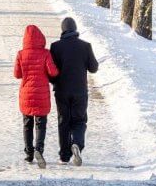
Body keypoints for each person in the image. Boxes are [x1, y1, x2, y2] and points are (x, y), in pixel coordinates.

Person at [49, 17, 98, 166]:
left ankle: (64, 156)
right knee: (79, 120)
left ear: (63, 29)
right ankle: (76, 143)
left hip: (62, 90)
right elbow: (94, 68)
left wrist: (55, 82)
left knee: (63, 121)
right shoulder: (85, 46)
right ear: (75, 29)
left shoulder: (55, 47)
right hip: (80, 91)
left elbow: (51, 71)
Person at [14, 25, 58, 169]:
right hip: (41, 94)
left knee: (27, 124)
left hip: (26, 93)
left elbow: (17, 74)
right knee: (40, 124)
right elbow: (53, 72)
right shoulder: (45, 53)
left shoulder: (21, 54)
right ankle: (39, 149)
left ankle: (29, 153)